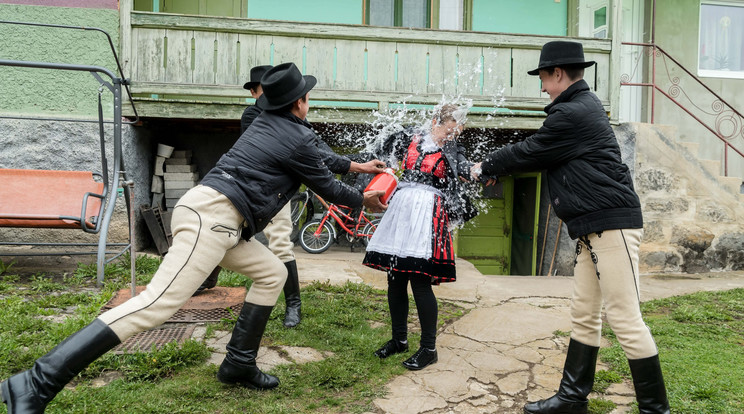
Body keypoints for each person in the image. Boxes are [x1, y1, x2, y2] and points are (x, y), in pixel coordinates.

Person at [0, 62, 387, 414]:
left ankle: (238, 363)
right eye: (307, 96)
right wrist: (364, 199)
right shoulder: (292, 135)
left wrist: (357, 167)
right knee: (155, 305)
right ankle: (35, 383)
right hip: (212, 218)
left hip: (223, 219)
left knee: (272, 273)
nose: (308, 102)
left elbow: (320, 160)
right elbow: (328, 186)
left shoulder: (275, 125)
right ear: (300, 103)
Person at [472, 41, 670, 414]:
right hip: (591, 229)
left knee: (625, 319)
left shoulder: (572, 113)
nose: (543, 87)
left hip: (611, 227)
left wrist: (486, 165)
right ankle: (572, 398)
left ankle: (655, 410)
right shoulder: (579, 107)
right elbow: (541, 153)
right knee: (584, 312)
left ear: (558, 74)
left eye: (544, 79)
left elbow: (532, 150)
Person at [199, 64, 386, 330]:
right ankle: (209, 278)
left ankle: (293, 305)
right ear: (256, 93)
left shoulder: (296, 122)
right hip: (246, 193)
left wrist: (360, 167)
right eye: (266, 90)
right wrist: (361, 195)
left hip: (275, 195)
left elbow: (320, 154)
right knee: (225, 236)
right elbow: (310, 160)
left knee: (279, 244)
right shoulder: (255, 116)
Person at [363, 104, 477, 371]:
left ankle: (428, 349)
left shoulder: (453, 148)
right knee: (395, 278)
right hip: (403, 209)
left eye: (460, 126)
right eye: (455, 125)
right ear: (439, 120)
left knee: (420, 282)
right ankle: (399, 339)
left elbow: (465, 167)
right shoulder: (411, 137)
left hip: (428, 214)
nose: (458, 130)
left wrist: (485, 171)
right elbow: (381, 155)